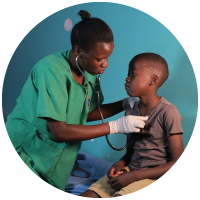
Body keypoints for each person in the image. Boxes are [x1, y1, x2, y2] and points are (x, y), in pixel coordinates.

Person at [5, 10, 148, 192]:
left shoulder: (89, 70)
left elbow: (85, 114)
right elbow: (59, 131)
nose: (106, 64)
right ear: (79, 51)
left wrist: (124, 104)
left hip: (57, 159)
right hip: (28, 150)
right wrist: (116, 126)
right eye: (100, 59)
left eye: (108, 57)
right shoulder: (51, 71)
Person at [78, 52, 184, 198]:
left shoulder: (168, 112)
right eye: (128, 73)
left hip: (151, 178)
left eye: (133, 74)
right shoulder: (132, 109)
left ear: (153, 80)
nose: (127, 78)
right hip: (130, 170)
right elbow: (130, 154)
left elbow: (176, 162)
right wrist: (118, 165)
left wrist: (133, 177)